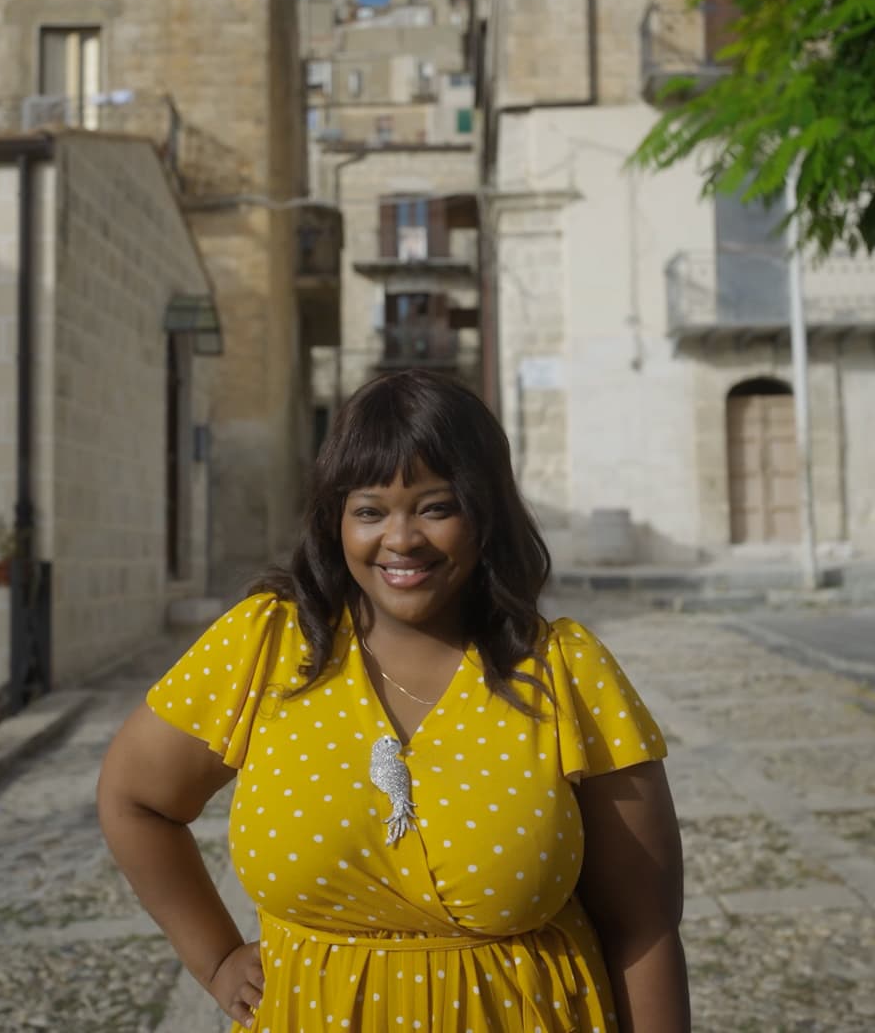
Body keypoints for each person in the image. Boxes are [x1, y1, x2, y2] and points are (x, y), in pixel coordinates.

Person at [97, 370, 689, 1031]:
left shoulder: (565, 670)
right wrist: (214, 959)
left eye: (436, 507)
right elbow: (134, 800)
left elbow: (644, 926)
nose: (401, 539)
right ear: (335, 521)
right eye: (370, 511)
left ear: (486, 513)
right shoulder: (267, 644)